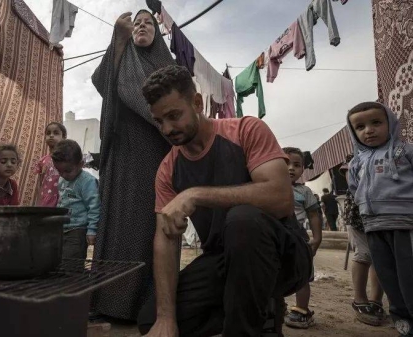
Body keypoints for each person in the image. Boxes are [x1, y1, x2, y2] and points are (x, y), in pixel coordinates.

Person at [137, 65, 311, 336]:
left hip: (282, 254)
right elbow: (165, 238)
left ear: (196, 103)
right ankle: (257, 311)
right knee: (151, 321)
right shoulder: (168, 169)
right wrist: (166, 317)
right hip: (222, 259)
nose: (167, 129)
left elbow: (281, 197)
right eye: (160, 121)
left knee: (243, 219)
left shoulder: (246, 130)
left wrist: (196, 194)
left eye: (174, 116)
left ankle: (248, 323)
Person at [90, 9, 173, 320]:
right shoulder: (121, 56)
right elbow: (102, 82)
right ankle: (108, 302)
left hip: (155, 155)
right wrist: (118, 42)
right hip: (122, 154)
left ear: (158, 32)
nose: (141, 25)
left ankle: (144, 305)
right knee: (116, 222)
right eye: (137, 22)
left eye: (148, 22)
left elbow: (170, 103)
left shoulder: (167, 65)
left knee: (150, 225)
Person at [347, 101, 413, 336]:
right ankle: (400, 315)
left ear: (390, 123)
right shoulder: (356, 162)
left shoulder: (405, 151)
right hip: (373, 226)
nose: (369, 130)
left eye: (376, 123)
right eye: (360, 126)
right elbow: (355, 189)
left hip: (404, 224)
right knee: (387, 274)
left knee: (408, 273)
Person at [340, 154, 386, 326]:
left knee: (380, 257)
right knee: (364, 255)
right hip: (359, 215)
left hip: (383, 214)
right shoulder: (355, 157)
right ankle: (360, 299)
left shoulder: (389, 154)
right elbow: (352, 183)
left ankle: (376, 300)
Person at [283, 147, 322, 329]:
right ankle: (276, 305)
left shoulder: (304, 192)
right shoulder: (268, 187)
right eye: (285, 163)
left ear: (303, 169)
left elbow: (314, 215)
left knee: (301, 275)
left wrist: (317, 237)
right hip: (275, 237)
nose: (291, 168)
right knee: (272, 271)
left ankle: (301, 311)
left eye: (296, 165)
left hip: (298, 239)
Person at [51, 140, 100, 259]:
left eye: (67, 170)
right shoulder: (63, 179)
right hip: (62, 228)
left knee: (72, 263)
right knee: (59, 261)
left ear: (81, 164)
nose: (63, 174)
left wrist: (92, 231)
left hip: (78, 230)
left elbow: (94, 207)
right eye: (59, 171)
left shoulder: (87, 182)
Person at [34, 122, 67, 207]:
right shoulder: (42, 161)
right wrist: (38, 202)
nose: (51, 135)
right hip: (46, 201)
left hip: (64, 199)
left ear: (64, 137)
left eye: (56, 133)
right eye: (48, 133)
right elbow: (40, 184)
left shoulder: (68, 158)